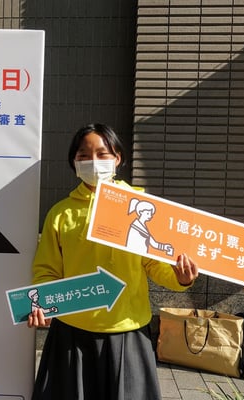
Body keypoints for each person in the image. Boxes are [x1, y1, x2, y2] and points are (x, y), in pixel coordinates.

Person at [27, 123, 199, 400]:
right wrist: (42, 302)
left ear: (118, 158)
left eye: (102, 153)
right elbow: (47, 268)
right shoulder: (61, 213)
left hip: (127, 330)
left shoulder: (142, 207)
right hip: (72, 332)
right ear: (74, 162)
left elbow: (153, 264)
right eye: (84, 155)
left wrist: (180, 278)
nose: (93, 161)